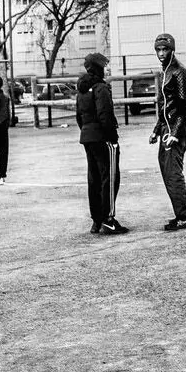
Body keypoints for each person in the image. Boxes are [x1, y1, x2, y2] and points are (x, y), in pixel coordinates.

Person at [150, 33, 186, 231]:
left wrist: (175, 133)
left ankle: (184, 216)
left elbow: (183, 105)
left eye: (165, 49)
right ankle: (183, 214)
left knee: (173, 173)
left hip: (175, 130)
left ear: (172, 50)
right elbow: (164, 106)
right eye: (158, 49)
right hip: (166, 129)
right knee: (167, 173)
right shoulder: (164, 72)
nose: (161, 53)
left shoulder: (179, 72)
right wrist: (156, 130)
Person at [76, 52, 126, 235]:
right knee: (110, 178)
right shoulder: (101, 88)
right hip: (103, 138)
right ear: (98, 68)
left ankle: (96, 220)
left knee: (94, 179)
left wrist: (87, 131)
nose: (106, 69)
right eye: (104, 66)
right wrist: (112, 137)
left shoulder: (82, 89)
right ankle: (108, 219)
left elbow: (79, 116)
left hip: (87, 137)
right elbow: (105, 115)